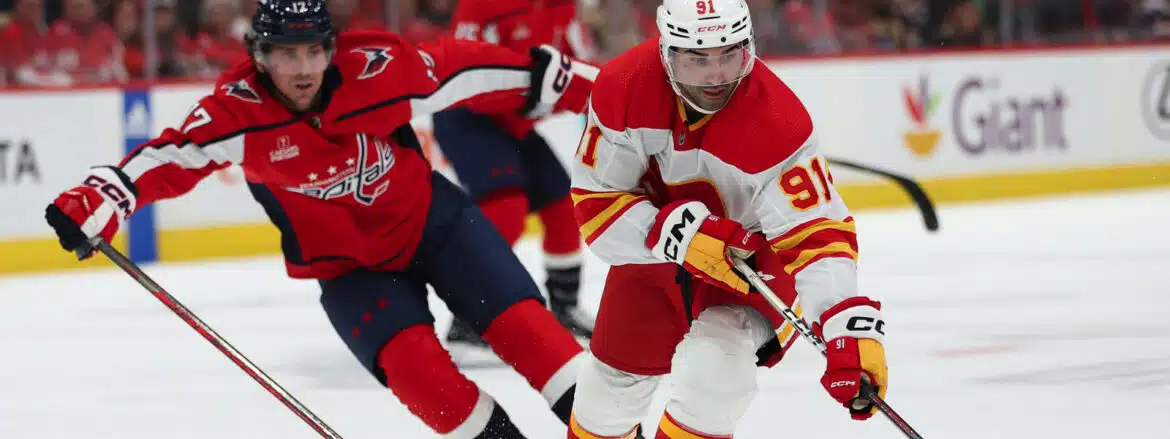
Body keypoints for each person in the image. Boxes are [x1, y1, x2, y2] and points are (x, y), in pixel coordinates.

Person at [43, 0, 599, 436]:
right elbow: (169, 157)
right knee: (430, 388)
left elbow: (467, 69)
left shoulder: (376, 70)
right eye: (287, 54)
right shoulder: (237, 113)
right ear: (259, 55)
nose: (304, 69)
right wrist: (99, 198)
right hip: (350, 271)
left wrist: (584, 87)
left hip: (437, 227)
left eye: (314, 51)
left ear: (331, 49)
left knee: (541, 344)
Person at [565, 0, 890, 437]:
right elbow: (597, 210)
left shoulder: (778, 121)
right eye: (697, 59)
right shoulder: (623, 86)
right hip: (655, 252)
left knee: (716, 372)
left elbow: (817, 234)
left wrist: (844, 325)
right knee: (605, 399)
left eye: (728, 55)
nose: (716, 75)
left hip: (751, 257)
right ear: (666, 52)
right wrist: (674, 235)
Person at [435, 0, 601, 352]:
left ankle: (565, 308)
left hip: (516, 119)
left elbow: (579, 65)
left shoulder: (563, 6)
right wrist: (534, 94)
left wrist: (558, 94)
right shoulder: (480, 5)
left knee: (562, 204)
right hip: (465, 115)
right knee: (505, 207)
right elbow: (462, 70)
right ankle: (469, 316)